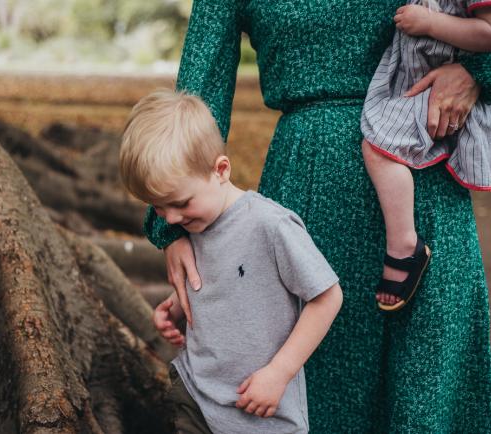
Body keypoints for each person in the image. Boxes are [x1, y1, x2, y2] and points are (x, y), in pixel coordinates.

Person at [144, 1, 491, 431]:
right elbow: (197, 93)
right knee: (317, 390)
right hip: (305, 185)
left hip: (421, 173)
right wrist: (170, 231)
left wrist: (476, 74)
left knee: (427, 386)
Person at [119, 89, 343, 434]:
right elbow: (221, 286)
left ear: (220, 169)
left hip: (261, 413)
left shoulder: (270, 225)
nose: (171, 219)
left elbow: (327, 297)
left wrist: (280, 372)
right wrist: (178, 306)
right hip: (197, 399)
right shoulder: (191, 226)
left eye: (180, 203)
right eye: (159, 208)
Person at [361, 0, 491, 311]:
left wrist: (429, 22)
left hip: (430, 91)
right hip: (416, 84)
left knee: (379, 145)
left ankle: (404, 243)